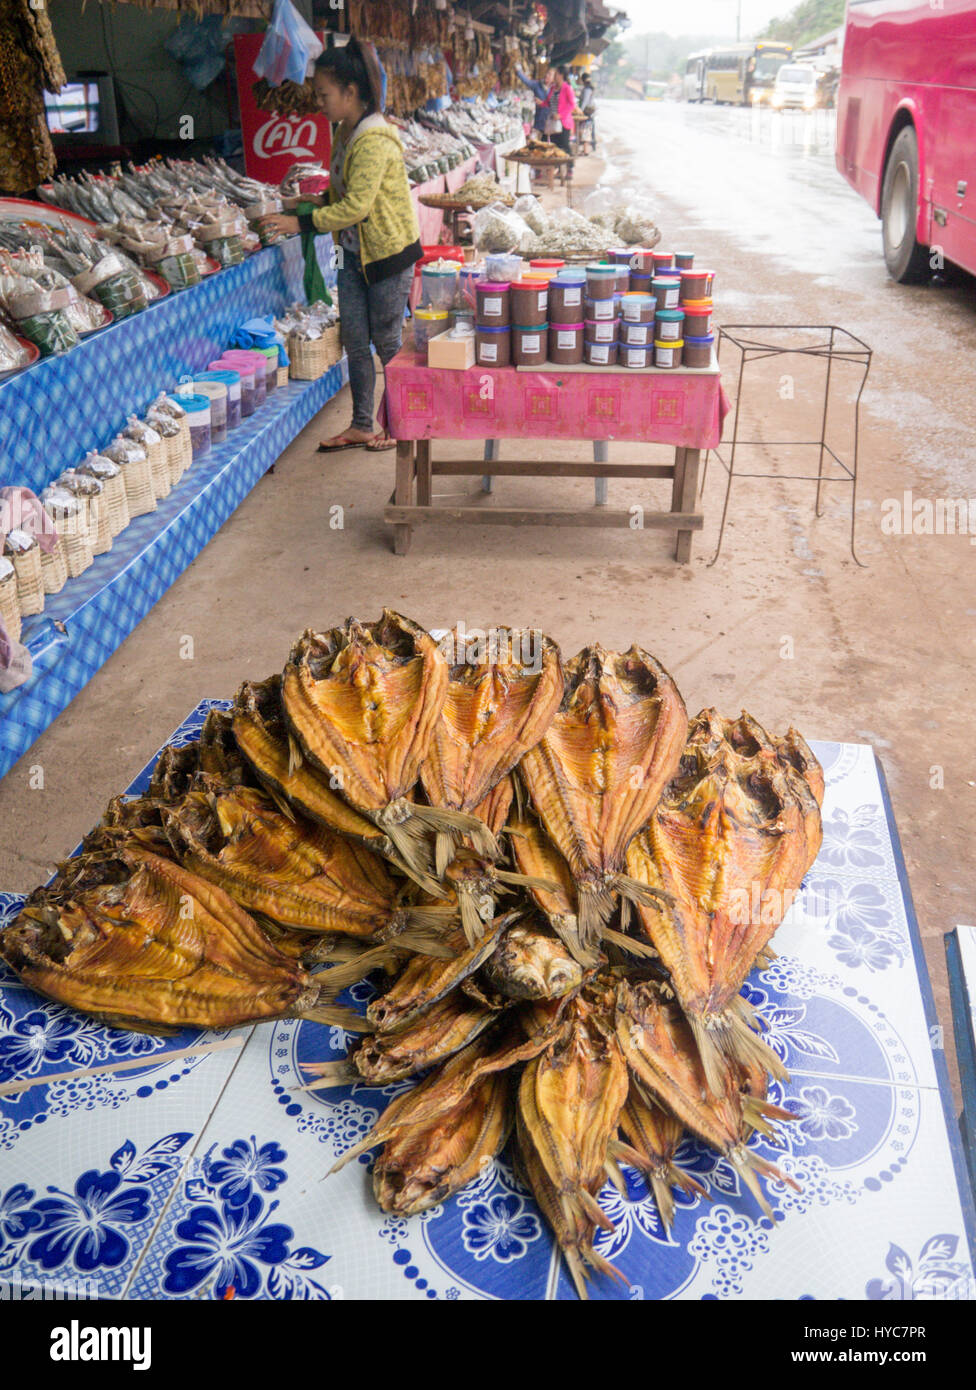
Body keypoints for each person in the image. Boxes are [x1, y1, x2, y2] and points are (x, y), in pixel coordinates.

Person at [260, 39, 422, 452]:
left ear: (351, 92)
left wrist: (301, 221)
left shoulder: (374, 139)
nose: (318, 102)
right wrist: (303, 202)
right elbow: (339, 191)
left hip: (387, 255)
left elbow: (356, 207)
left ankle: (405, 423)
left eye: (323, 94)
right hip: (354, 254)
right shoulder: (345, 131)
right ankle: (363, 424)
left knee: (387, 342)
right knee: (355, 340)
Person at [550, 67, 577, 184]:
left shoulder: (567, 88)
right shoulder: (553, 88)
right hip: (554, 124)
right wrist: (542, 103)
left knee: (565, 146)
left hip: (564, 123)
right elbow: (548, 101)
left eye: (556, 74)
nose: (554, 76)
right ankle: (558, 170)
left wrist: (560, 115)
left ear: (561, 75)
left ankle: (570, 168)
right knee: (555, 147)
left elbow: (572, 105)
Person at [577, 72, 596, 152]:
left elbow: (585, 101)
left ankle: (586, 150)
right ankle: (588, 147)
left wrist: (580, 110)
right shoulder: (588, 88)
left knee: (586, 129)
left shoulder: (587, 89)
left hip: (587, 112)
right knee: (588, 129)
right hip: (589, 112)